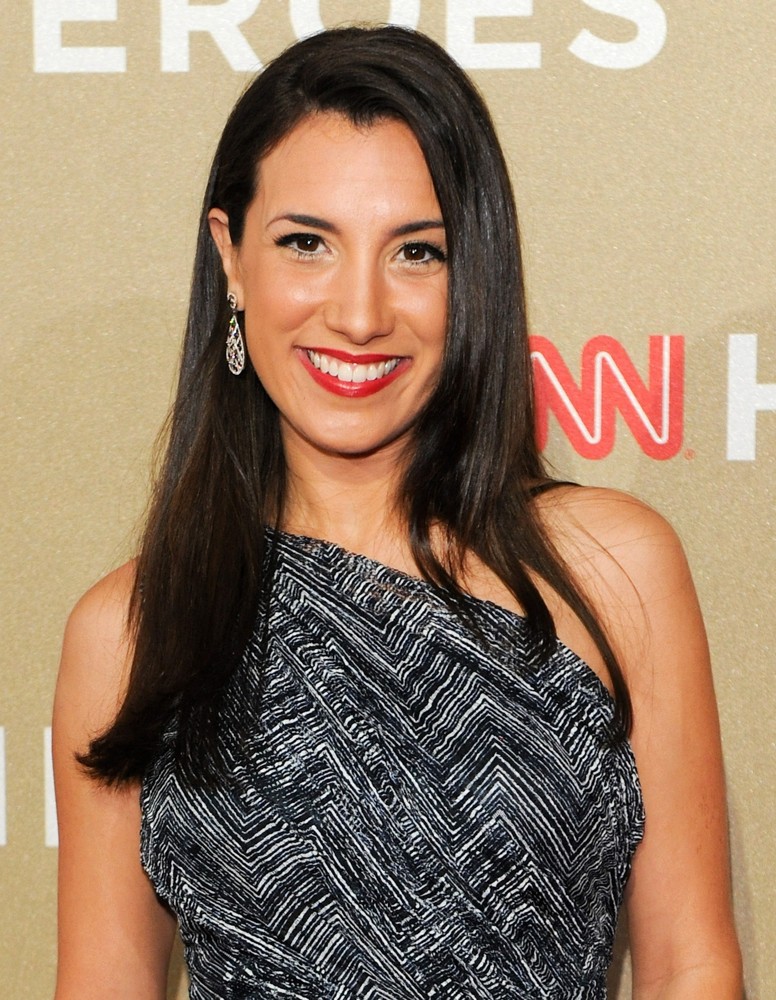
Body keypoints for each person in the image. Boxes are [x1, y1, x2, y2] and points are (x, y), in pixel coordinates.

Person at [52, 24, 742, 1000]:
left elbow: (689, 965)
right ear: (231, 257)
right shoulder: (128, 632)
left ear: (474, 275)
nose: (360, 314)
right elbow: (104, 981)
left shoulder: (610, 569)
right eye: (306, 243)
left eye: (416, 252)